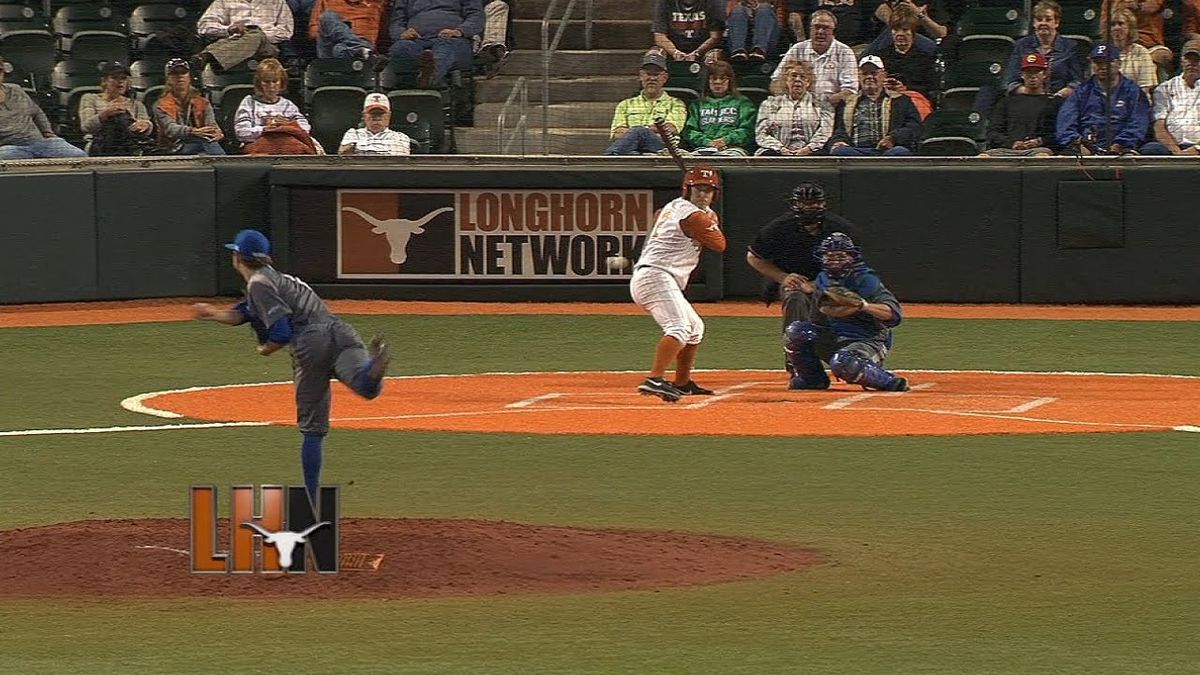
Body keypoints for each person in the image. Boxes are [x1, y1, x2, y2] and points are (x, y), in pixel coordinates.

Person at [192, 229, 391, 503]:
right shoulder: (277, 280)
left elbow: (282, 333)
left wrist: (266, 349)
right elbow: (244, 313)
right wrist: (212, 314)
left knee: (313, 428)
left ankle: (311, 497)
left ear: (237, 257)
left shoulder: (259, 284)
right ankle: (374, 364)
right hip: (341, 331)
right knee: (367, 388)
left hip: (311, 343)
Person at [746, 181, 863, 380]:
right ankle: (797, 359)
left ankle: (856, 355)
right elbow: (753, 256)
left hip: (833, 279)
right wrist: (783, 277)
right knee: (795, 297)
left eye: (814, 203)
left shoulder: (841, 228)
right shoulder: (779, 227)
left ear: (824, 204)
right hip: (794, 279)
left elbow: (854, 266)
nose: (810, 207)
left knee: (857, 304)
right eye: (804, 203)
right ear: (795, 204)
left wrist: (819, 284)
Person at [631, 165, 727, 403]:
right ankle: (654, 379)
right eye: (698, 190)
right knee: (678, 328)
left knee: (695, 329)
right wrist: (707, 223)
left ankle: (682, 382)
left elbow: (659, 216)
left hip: (662, 276)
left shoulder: (674, 206)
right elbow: (719, 245)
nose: (703, 194)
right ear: (688, 190)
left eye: (708, 190)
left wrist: (707, 220)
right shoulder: (693, 215)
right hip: (656, 276)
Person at [782, 232, 908, 392]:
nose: (834, 260)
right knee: (797, 331)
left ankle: (890, 382)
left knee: (845, 362)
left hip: (868, 339)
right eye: (829, 256)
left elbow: (894, 315)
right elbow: (817, 320)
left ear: (852, 257)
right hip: (834, 336)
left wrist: (863, 305)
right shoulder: (823, 279)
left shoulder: (865, 280)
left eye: (841, 256)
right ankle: (812, 379)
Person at [1056, 43, 1151, 156]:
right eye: (1098, 62)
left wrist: (1119, 144)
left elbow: (1138, 124)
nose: (1103, 66)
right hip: (1084, 148)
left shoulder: (1133, 91)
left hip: (1124, 149)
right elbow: (1065, 123)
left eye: (1108, 62)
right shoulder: (1081, 91)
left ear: (1119, 64)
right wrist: (1078, 144)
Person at [828, 55, 922, 156]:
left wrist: (893, 138)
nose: (869, 77)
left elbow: (914, 127)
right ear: (859, 77)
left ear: (884, 75)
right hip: (856, 151)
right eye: (865, 74)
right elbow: (839, 130)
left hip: (889, 151)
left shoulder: (901, 100)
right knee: (839, 151)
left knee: (900, 152)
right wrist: (839, 141)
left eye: (874, 73)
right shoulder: (846, 103)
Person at [0, 56, 88, 160]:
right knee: (5, 157)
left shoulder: (16, 90)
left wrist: (48, 133)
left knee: (79, 156)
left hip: (39, 142)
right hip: (9, 147)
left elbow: (37, 112)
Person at [604, 51, 687, 155]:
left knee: (639, 131)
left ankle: (609, 157)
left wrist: (641, 131)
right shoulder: (625, 104)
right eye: (648, 74)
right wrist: (641, 132)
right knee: (634, 148)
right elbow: (617, 133)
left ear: (664, 77)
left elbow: (671, 128)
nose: (651, 78)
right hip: (632, 148)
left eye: (656, 75)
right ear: (641, 76)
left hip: (663, 147)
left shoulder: (676, 104)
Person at [979, 51, 1061, 157]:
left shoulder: (1054, 102)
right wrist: (1011, 143)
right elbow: (993, 132)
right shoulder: (1007, 102)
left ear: (1044, 74)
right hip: (1007, 149)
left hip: (1038, 149)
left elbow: (1058, 133)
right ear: (1022, 75)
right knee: (983, 157)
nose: (1032, 76)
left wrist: (1039, 141)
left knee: (1042, 157)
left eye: (1036, 72)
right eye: (1028, 72)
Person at [773, 10, 859, 110]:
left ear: (833, 32)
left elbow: (850, 91)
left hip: (830, 108)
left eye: (826, 28)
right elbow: (776, 81)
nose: (820, 32)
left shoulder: (845, 52)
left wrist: (821, 105)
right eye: (816, 27)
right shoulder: (797, 49)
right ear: (810, 29)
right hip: (796, 107)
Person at [389, 0, 483, 89]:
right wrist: (402, 33)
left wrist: (459, 31)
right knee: (401, 47)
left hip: (453, 40)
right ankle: (418, 81)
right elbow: (397, 21)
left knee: (445, 49)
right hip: (416, 40)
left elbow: (476, 16)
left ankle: (428, 77)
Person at [234, 57, 317, 154]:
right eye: (266, 82)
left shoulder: (287, 105)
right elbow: (241, 132)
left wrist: (287, 125)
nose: (271, 86)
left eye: (275, 81)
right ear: (259, 83)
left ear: (281, 82)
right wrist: (265, 129)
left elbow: (305, 129)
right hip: (258, 145)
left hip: (286, 144)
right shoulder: (249, 102)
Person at [1002, 1, 1082, 100]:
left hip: (1060, 100)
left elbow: (1077, 82)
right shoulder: (1021, 45)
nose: (1043, 23)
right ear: (1034, 23)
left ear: (1056, 22)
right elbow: (1011, 82)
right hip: (1028, 98)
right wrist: (1031, 92)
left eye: (1048, 19)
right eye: (1039, 20)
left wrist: (1061, 94)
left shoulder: (1070, 46)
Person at [754, 59, 834, 155]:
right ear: (786, 80)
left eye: (803, 77)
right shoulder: (769, 104)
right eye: (793, 76)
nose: (797, 79)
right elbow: (761, 134)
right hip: (776, 151)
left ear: (808, 82)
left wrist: (808, 149)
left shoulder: (822, 104)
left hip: (812, 151)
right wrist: (780, 148)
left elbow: (825, 132)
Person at [78, 61, 155, 157]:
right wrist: (105, 114)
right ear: (104, 81)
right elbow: (86, 127)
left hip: (127, 145)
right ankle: (145, 147)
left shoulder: (136, 104)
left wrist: (145, 125)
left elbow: (145, 124)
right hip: (99, 144)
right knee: (118, 117)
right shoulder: (90, 98)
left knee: (121, 116)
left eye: (123, 78)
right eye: (114, 78)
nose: (120, 82)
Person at [193, 0, 295, 72]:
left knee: (256, 35)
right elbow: (203, 26)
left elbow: (286, 31)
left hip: (267, 46)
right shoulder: (224, 1)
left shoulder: (277, 2)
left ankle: (207, 56)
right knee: (247, 37)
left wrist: (259, 34)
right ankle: (209, 56)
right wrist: (229, 29)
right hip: (233, 41)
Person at [152, 58, 226, 155]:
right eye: (175, 73)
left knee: (205, 150)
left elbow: (211, 124)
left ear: (189, 76)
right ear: (168, 79)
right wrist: (192, 131)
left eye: (183, 72)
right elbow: (170, 129)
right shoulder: (161, 104)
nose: (180, 76)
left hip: (200, 141)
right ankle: (225, 165)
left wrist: (217, 133)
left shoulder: (203, 102)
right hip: (172, 147)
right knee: (205, 143)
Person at [682, 59, 757, 155]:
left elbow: (747, 130)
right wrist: (707, 142)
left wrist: (726, 140)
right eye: (714, 78)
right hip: (703, 148)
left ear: (730, 81)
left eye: (722, 78)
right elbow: (690, 131)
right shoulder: (697, 105)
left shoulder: (743, 103)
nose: (718, 82)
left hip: (733, 149)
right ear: (708, 81)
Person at [1141, 41, 1200, 155]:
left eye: (1196, 60)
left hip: (1197, 146)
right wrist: (1177, 153)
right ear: (1182, 61)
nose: (1191, 63)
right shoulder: (1165, 88)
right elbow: (1159, 127)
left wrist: (1197, 149)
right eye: (1188, 59)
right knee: (1150, 149)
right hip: (1172, 146)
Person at [308, 0, 388, 61]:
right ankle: (360, 48)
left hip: (363, 41)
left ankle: (360, 50)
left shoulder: (377, 2)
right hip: (330, 44)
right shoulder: (326, 1)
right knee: (327, 17)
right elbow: (313, 32)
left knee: (339, 49)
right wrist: (341, 30)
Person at [338, 92, 413, 155]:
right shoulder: (353, 133)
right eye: (372, 113)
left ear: (389, 116)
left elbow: (395, 162)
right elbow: (344, 157)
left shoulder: (400, 137)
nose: (376, 117)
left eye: (380, 113)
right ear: (364, 115)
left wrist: (359, 147)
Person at [653, 0, 726, 62]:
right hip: (673, 47)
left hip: (705, 48)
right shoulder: (665, 2)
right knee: (654, 55)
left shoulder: (713, 2)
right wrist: (675, 52)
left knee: (714, 57)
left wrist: (697, 52)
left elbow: (715, 37)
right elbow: (659, 36)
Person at [1108, 7, 1157, 95]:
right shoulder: (1102, 52)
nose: (1116, 28)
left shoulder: (1141, 53)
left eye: (1121, 24)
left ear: (1130, 27)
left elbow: (1144, 89)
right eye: (1112, 24)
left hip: (1134, 101)